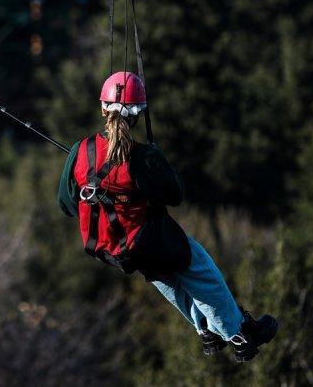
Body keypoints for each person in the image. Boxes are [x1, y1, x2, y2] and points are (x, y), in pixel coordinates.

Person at [57, 71, 278, 362]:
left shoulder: (80, 151)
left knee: (166, 278)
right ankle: (240, 334)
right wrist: (158, 161)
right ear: (138, 116)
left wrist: (108, 200)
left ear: (102, 109)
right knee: (201, 272)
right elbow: (175, 195)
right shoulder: (144, 157)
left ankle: (206, 330)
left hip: (110, 250)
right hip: (148, 240)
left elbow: (67, 204)